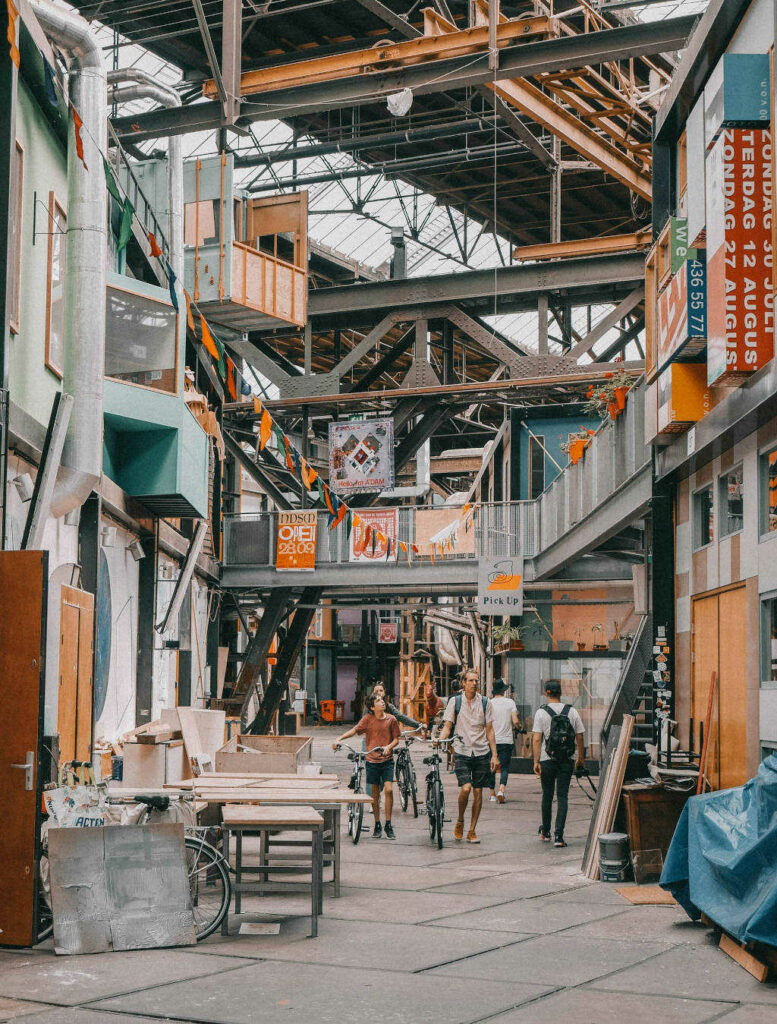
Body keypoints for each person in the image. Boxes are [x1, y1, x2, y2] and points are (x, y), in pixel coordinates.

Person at [437, 668, 498, 844]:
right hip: (462, 750)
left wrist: (494, 755)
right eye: (470, 680)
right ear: (463, 683)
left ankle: (472, 830)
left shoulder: (486, 702)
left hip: (481, 752)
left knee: (478, 791)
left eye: (476, 680)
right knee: (466, 788)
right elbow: (448, 726)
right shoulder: (455, 702)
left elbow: (490, 730)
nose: (474, 683)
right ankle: (460, 819)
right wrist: (439, 741)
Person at [333, 693, 400, 839]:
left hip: (387, 760)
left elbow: (396, 739)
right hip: (372, 761)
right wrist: (339, 738)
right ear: (372, 706)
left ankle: (388, 824)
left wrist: (389, 746)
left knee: (388, 790)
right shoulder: (368, 719)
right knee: (374, 795)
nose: (382, 702)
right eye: (378, 701)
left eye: (382, 700)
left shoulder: (391, 719)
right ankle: (377, 824)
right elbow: (355, 730)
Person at [532, 679, 585, 848]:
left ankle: (545, 831)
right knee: (562, 796)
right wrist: (580, 758)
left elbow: (536, 739)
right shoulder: (572, 711)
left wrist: (536, 761)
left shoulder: (541, 713)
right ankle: (559, 836)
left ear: (547, 693)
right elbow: (580, 736)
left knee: (547, 795)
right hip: (566, 760)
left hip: (547, 759)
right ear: (560, 693)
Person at [488, 679, 519, 804]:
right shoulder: (510, 702)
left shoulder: (489, 703)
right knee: (505, 767)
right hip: (506, 740)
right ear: (503, 691)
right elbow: (515, 721)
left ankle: (492, 795)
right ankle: (501, 790)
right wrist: (519, 728)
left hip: (492, 741)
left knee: (492, 766)